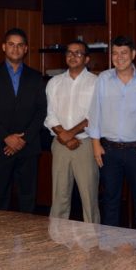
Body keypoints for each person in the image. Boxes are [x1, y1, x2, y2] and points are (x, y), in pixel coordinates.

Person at [88, 35, 136, 228]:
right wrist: (95, 144)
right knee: (110, 200)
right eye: (115, 53)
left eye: (124, 53)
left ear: (133, 54)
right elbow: (95, 112)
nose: (119, 57)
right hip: (109, 150)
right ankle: (109, 243)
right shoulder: (103, 79)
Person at [0, 28, 46, 214]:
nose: (15, 49)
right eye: (11, 44)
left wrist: (22, 139)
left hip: (28, 147)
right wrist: (6, 137)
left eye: (19, 45)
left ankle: (28, 233)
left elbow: (41, 111)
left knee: (27, 198)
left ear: (25, 49)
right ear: (4, 47)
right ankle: (0, 234)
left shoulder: (36, 77)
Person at [45, 41, 99, 222]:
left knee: (89, 197)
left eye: (78, 53)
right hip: (60, 144)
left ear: (87, 59)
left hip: (86, 144)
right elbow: (50, 115)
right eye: (69, 52)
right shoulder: (54, 82)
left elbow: (95, 115)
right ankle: (57, 235)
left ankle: (92, 236)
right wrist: (64, 135)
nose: (73, 56)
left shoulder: (96, 82)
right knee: (59, 196)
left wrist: (71, 133)